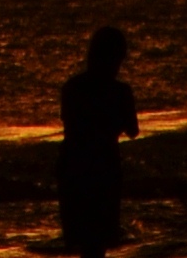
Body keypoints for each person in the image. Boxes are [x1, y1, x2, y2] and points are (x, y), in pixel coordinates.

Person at [56, 28, 138, 256]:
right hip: (104, 168)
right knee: (98, 242)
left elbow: (70, 124)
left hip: (73, 167)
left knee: (82, 240)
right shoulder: (121, 92)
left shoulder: (71, 87)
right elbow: (133, 130)